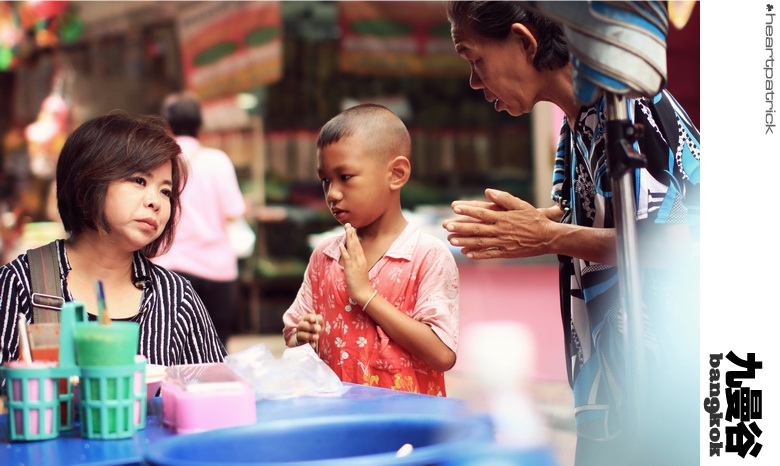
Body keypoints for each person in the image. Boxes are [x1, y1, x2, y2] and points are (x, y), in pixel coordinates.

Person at [442, 2, 700, 465]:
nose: (475, 83)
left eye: (475, 59)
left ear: (524, 41)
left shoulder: (627, 107)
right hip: (609, 393)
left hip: (670, 393)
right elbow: (583, 220)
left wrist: (547, 237)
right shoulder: (575, 124)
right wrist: (525, 228)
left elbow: (679, 242)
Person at [0, 113, 227, 368]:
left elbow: (215, 390)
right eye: (139, 181)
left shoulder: (176, 299)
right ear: (88, 180)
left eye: (165, 191)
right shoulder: (20, 284)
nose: (156, 202)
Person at [282, 103, 460, 396]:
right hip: (338, 422)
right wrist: (304, 334)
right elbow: (292, 331)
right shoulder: (325, 255)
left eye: (346, 177)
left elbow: (442, 354)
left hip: (405, 426)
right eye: (325, 181)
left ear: (396, 174)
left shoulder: (425, 255)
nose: (332, 194)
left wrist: (367, 295)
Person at [152, 93, 247, 346]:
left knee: (173, 351)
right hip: (217, 270)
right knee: (215, 350)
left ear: (168, 126)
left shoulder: (160, 162)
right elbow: (234, 210)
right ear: (200, 127)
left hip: (170, 268)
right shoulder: (218, 161)